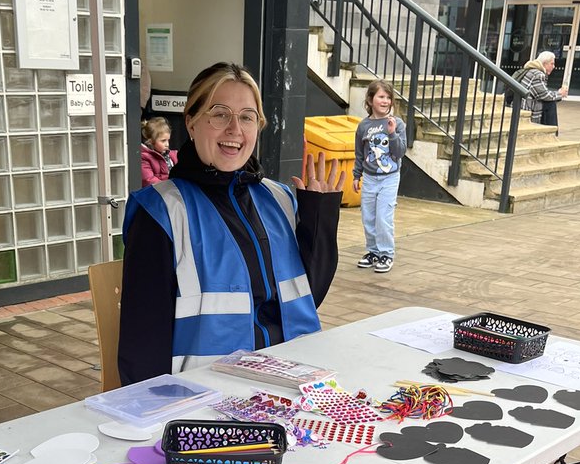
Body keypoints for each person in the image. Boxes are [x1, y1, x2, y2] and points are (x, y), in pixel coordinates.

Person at [118, 61, 344, 385]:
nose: (235, 129)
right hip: (207, 397)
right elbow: (142, 343)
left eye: (247, 117)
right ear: (192, 123)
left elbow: (307, 300)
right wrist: (155, 419)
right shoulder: (161, 212)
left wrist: (318, 219)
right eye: (219, 113)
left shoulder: (279, 200)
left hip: (292, 382)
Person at [352, 80, 407, 274]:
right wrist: (356, 175)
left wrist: (392, 133)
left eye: (388, 98)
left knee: (383, 217)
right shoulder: (364, 126)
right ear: (370, 99)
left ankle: (386, 253)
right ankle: (373, 251)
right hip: (369, 177)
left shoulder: (397, 123)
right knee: (368, 216)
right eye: (381, 97)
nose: (385, 101)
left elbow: (400, 152)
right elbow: (359, 153)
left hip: (389, 178)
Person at [515, 51, 568, 132]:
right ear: (544, 63)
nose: (553, 66)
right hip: (527, 111)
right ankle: (552, 133)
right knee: (551, 104)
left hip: (522, 107)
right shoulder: (538, 74)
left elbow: (541, 93)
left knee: (550, 103)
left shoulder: (531, 70)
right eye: (552, 64)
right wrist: (560, 94)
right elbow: (544, 95)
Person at [140, 117, 178, 185]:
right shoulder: (144, 157)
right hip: (158, 192)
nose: (167, 144)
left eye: (168, 140)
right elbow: (148, 180)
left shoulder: (173, 155)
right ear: (151, 141)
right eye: (163, 141)